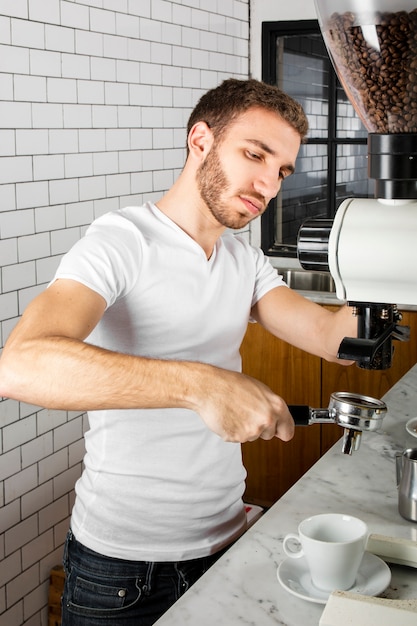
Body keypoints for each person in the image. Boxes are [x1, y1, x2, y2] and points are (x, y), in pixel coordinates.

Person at [0, 78, 357, 625]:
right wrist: (200, 385)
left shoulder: (244, 259)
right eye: (255, 155)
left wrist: (384, 284)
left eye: (282, 171)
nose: (268, 184)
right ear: (200, 140)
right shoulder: (121, 241)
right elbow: (19, 366)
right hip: (121, 572)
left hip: (224, 542)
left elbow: (330, 338)